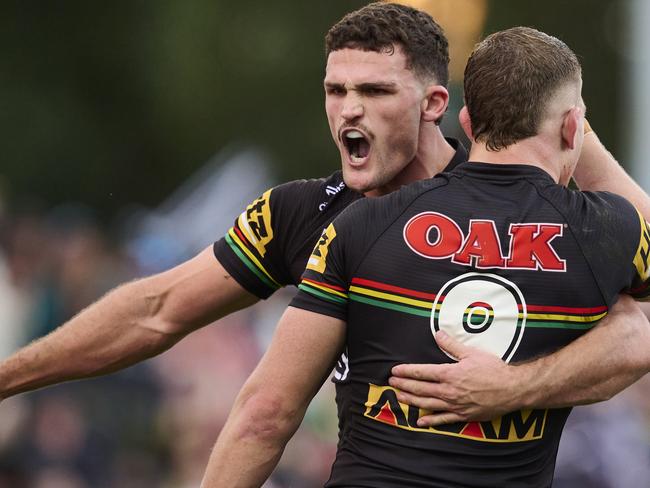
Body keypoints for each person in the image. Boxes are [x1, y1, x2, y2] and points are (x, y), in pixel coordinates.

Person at [0, 0, 648, 458]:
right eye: (335, 90)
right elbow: (157, 310)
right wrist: (9, 376)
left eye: (373, 89)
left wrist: (518, 387)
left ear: (436, 106)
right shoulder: (302, 214)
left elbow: (636, 330)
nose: (348, 110)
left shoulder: (526, 215)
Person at [203, 26, 650, 487]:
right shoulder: (602, 233)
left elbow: (266, 415)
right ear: (573, 126)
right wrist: (519, 387)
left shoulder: (363, 225)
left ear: (469, 124)